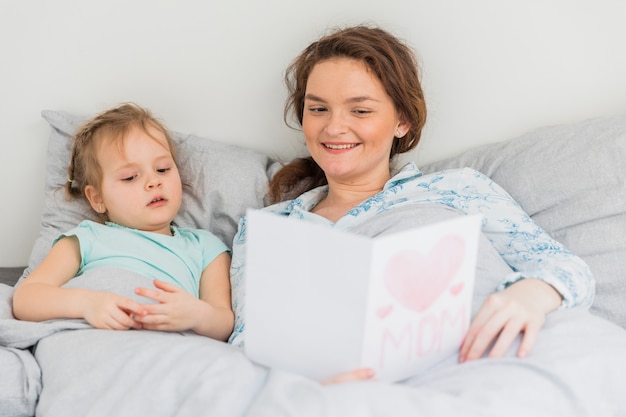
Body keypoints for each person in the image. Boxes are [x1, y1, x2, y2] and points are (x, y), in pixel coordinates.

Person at [228, 25, 594, 381]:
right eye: (318, 109)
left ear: (402, 121)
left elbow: (569, 270)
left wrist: (533, 293)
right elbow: (248, 339)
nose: (334, 127)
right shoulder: (270, 227)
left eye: (360, 110)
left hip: (479, 369)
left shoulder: (457, 188)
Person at [12, 103, 234, 342]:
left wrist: (197, 315)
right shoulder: (86, 238)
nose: (153, 182)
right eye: (130, 177)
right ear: (97, 199)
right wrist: (87, 303)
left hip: (169, 347)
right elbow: (27, 299)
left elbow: (224, 323)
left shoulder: (205, 247)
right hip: (94, 340)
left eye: (162, 169)